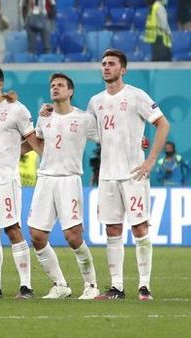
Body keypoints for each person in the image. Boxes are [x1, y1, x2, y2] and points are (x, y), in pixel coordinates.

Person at [88, 49, 170, 300]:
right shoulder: (95, 101)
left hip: (133, 173)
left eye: (111, 64)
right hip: (107, 175)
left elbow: (163, 124)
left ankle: (144, 286)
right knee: (112, 229)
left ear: (123, 69)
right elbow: (94, 132)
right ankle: (117, 287)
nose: (106, 67)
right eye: (103, 64)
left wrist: (151, 160)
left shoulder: (136, 96)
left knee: (139, 227)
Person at [27, 73, 100, 300]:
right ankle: (60, 285)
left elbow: (107, 137)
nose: (55, 88)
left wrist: (136, 141)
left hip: (69, 179)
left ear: (70, 92)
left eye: (60, 85)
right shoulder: (44, 117)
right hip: (45, 179)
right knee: (37, 235)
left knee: (73, 236)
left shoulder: (84, 119)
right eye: (52, 85)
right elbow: (38, 141)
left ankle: (91, 285)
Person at [0, 65, 42, 299]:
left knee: (12, 230)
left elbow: (32, 140)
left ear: (0, 84)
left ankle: (26, 287)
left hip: (5, 181)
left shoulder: (17, 109)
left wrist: (49, 158)